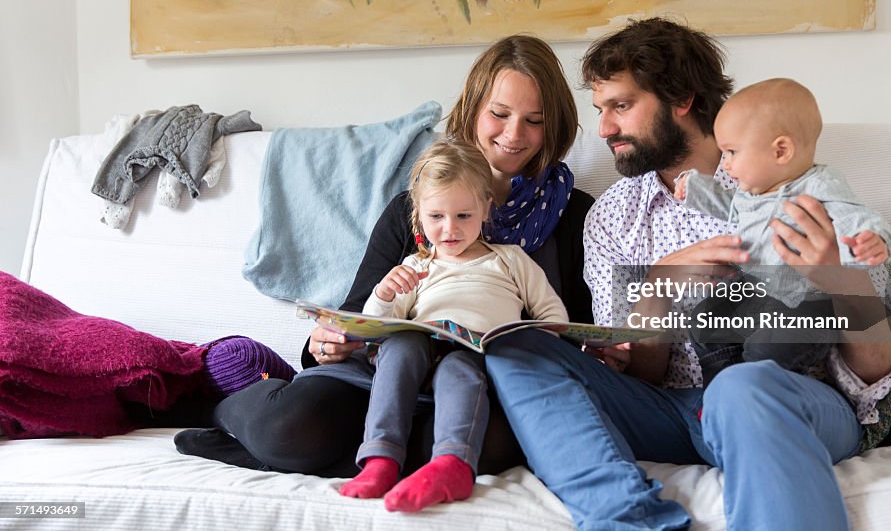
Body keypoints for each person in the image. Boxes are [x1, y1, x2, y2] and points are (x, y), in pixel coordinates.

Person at [485, 18, 891, 530]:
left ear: (681, 97)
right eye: (601, 109)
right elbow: (641, 375)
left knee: (738, 388)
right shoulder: (612, 216)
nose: (605, 129)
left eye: (621, 106)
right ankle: (630, 520)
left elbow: (877, 370)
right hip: (670, 410)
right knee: (514, 348)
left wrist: (838, 276)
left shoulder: (792, 187)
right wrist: (660, 285)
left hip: (788, 402)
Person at [174, 35, 595, 478]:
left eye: (534, 120)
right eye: (500, 113)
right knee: (290, 428)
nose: (514, 134)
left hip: (483, 386)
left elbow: (575, 332)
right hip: (385, 377)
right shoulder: (413, 207)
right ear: (473, 111)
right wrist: (326, 342)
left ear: (555, 126)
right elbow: (357, 314)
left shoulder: (574, 215)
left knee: (491, 445)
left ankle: (316, 459)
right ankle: (230, 414)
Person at [339, 139, 569, 511]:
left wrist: (534, 342)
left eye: (464, 215)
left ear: (485, 208)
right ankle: (380, 460)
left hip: (481, 357)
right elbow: (373, 328)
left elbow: (552, 316)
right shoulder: (416, 266)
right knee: (399, 346)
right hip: (420, 356)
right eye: (437, 217)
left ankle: (453, 465)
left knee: (459, 365)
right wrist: (383, 293)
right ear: (419, 214)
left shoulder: (511, 260)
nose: (450, 229)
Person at [672, 77, 891, 379]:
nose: (725, 165)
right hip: (755, 291)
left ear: (780, 151)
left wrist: (873, 239)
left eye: (732, 153)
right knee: (706, 318)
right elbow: (727, 205)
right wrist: (696, 188)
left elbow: (855, 215)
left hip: (807, 303)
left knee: (771, 346)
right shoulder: (750, 193)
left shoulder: (819, 185)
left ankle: (754, 387)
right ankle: (720, 389)